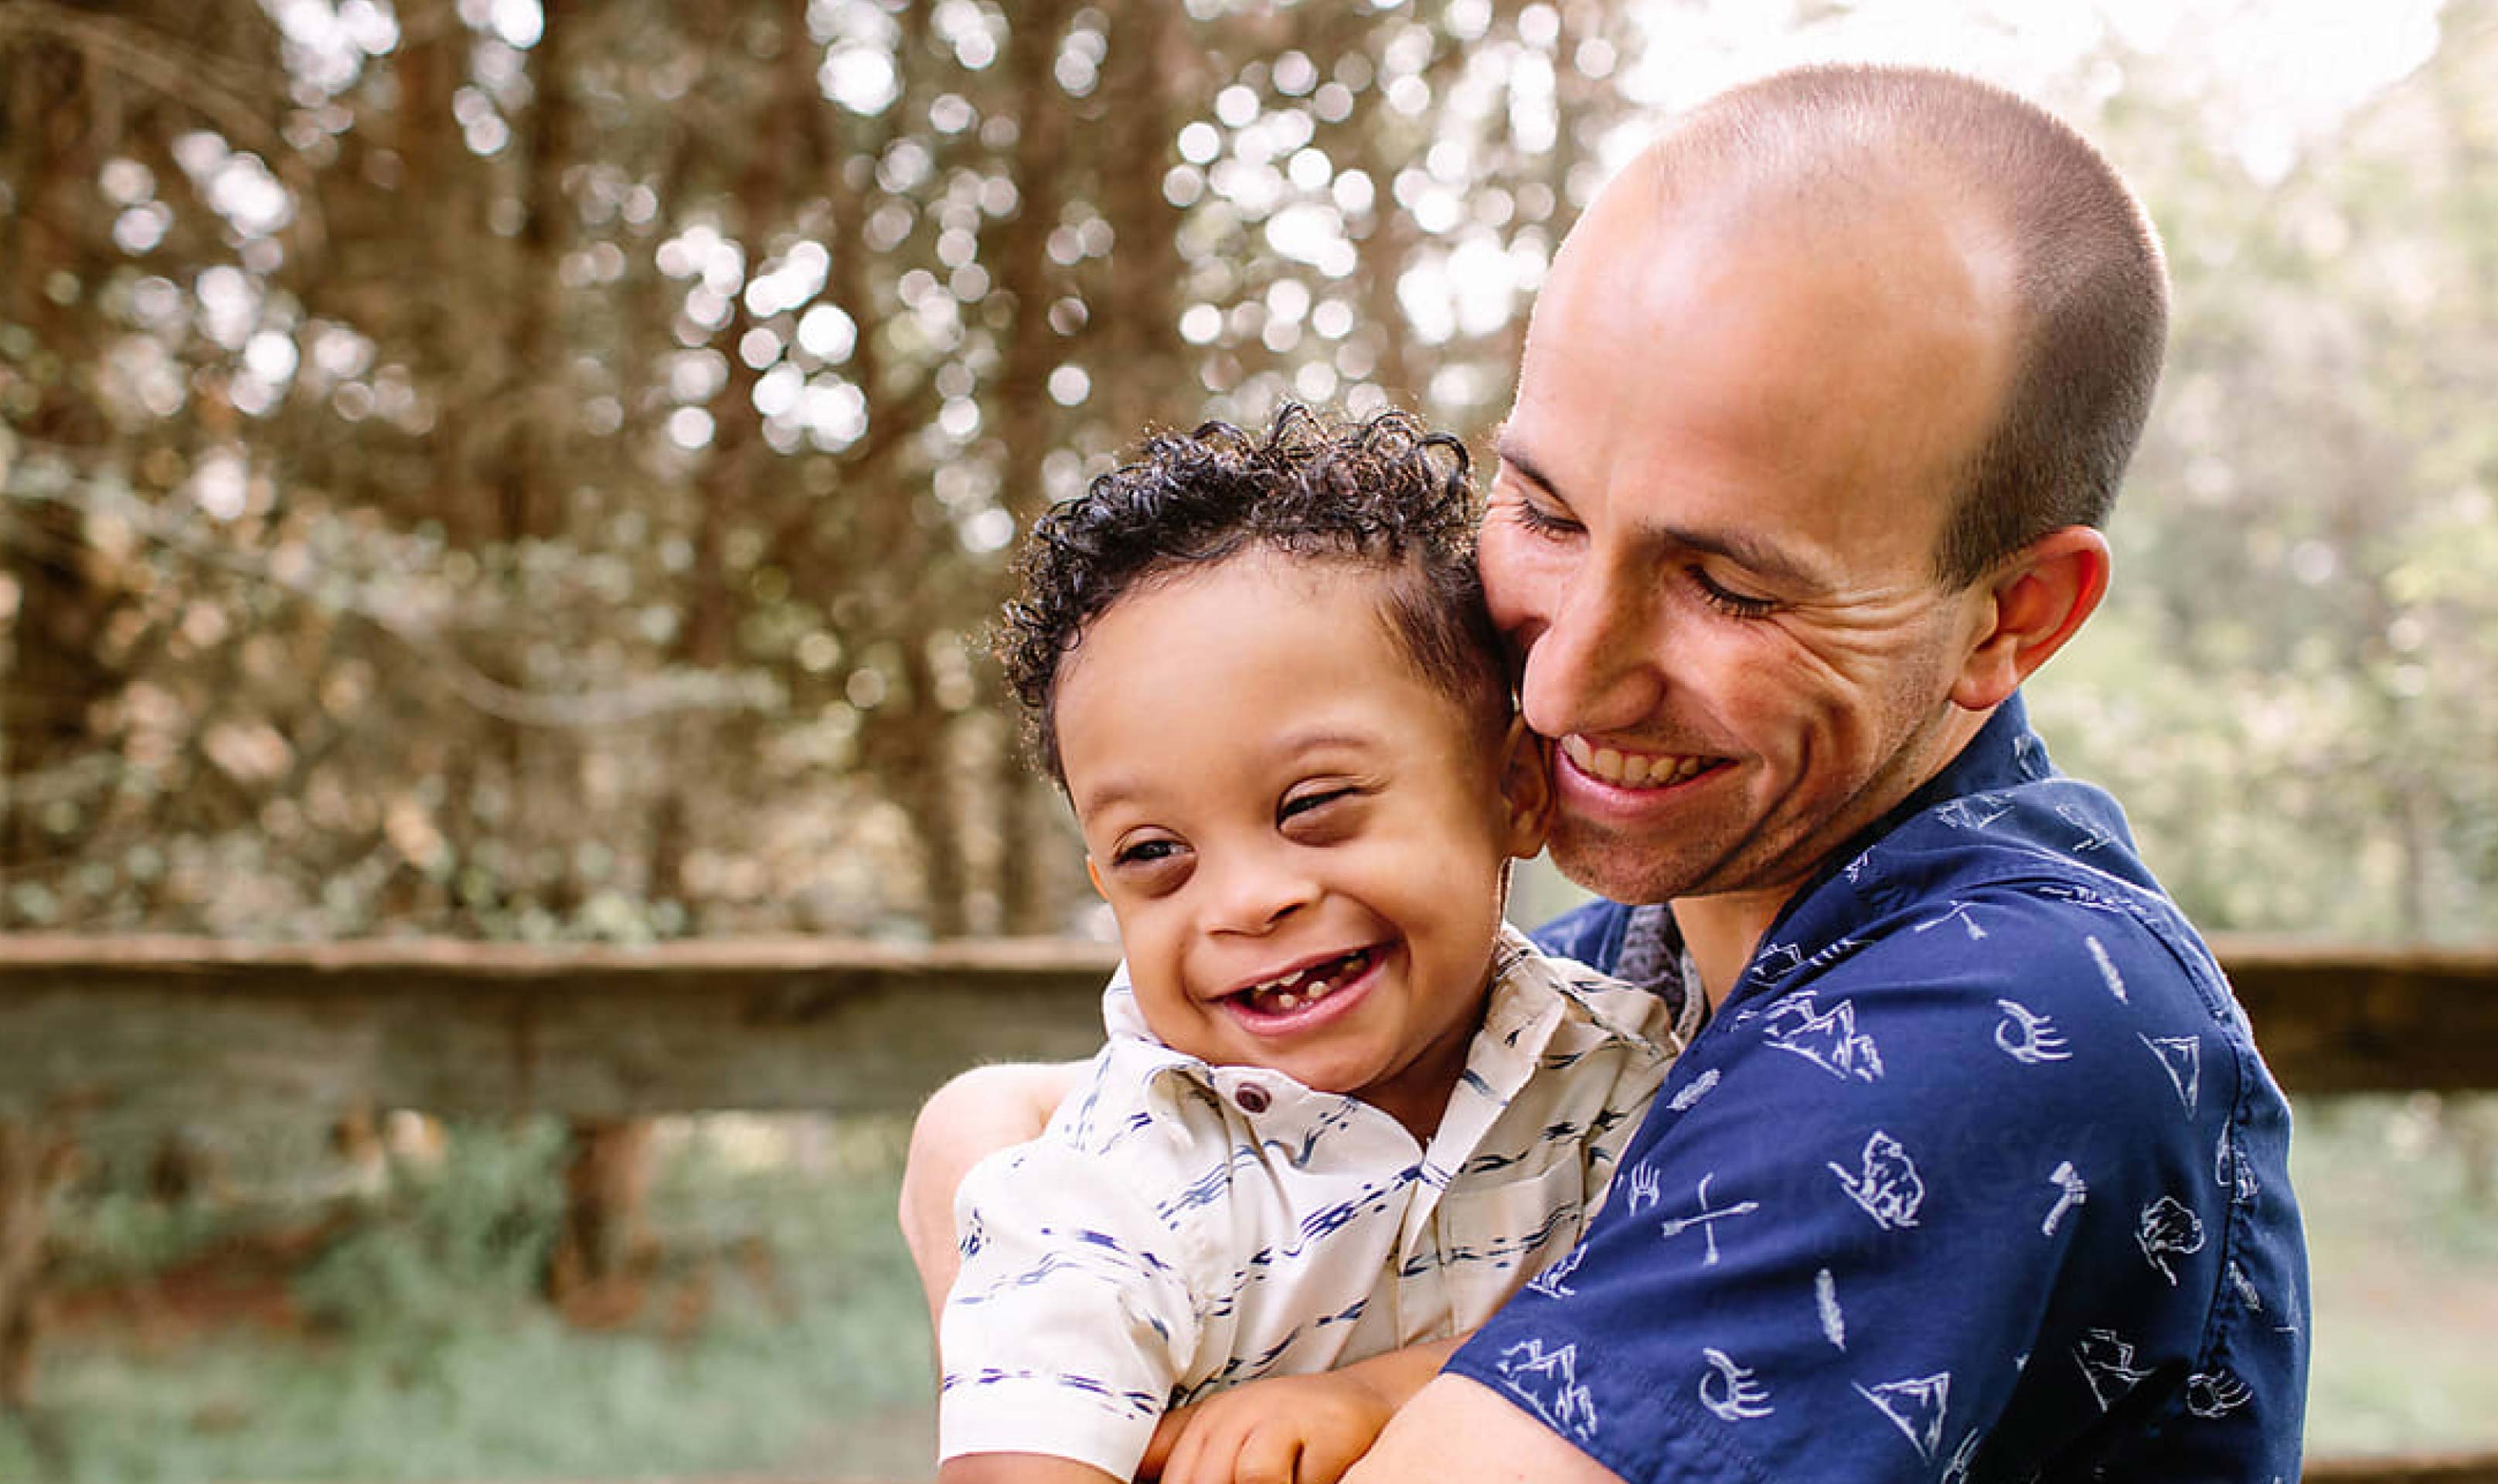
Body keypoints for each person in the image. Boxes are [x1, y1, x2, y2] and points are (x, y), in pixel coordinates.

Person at [906, 63, 2311, 1482]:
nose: (1562, 683)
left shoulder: (1996, 1017)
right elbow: (1018, 1127)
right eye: (1547, 510)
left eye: (1728, 586)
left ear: (2010, 615)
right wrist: (987, 1161)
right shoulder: (1613, 975)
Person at [935, 407, 1679, 1484]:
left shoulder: (1634, 1073)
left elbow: (1674, 1333)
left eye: (1312, 804)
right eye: (1154, 853)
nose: (1244, 902)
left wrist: (1378, 1395)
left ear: (1513, 789)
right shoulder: (1097, 1196)